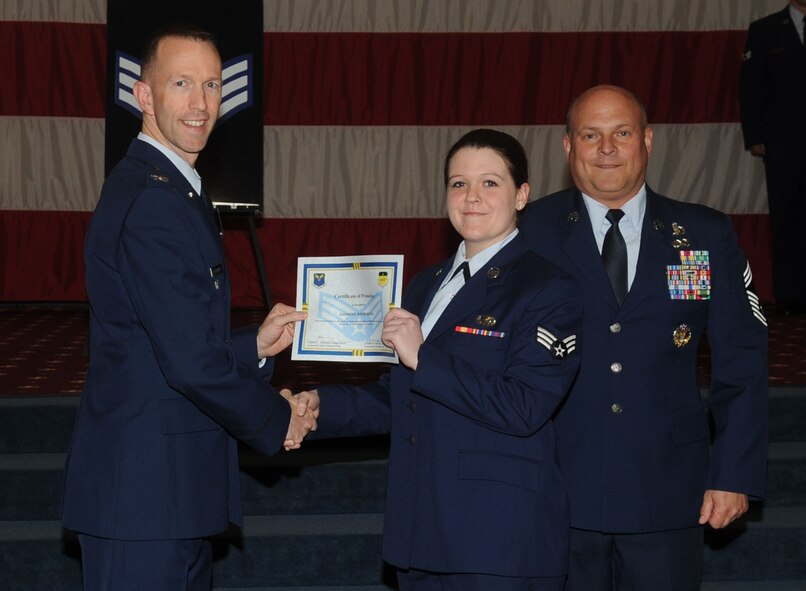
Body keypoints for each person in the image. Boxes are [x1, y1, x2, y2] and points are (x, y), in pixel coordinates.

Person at [61, 24, 314, 591]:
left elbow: (163, 342)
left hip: (163, 495)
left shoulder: (172, 188)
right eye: (181, 83)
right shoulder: (154, 200)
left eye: (212, 85)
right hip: (145, 499)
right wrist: (278, 420)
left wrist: (253, 344)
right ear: (144, 96)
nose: (201, 104)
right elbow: (190, 364)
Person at [288, 129, 582, 590]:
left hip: (498, 542)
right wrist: (320, 407)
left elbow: (524, 406)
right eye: (458, 183)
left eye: (490, 183)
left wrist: (424, 357)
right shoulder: (426, 285)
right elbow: (398, 397)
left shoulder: (549, 289)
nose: (471, 198)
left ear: (522, 195)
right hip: (421, 532)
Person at [520, 85, 769, 591]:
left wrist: (734, 472)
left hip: (669, 486)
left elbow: (741, 361)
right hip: (555, 484)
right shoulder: (529, 231)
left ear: (648, 140)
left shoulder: (703, 234)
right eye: (591, 135)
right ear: (568, 148)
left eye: (622, 133)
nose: (607, 148)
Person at [739, 0, 806, 316]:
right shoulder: (765, 30)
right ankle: (789, 296)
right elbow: (751, 86)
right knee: (786, 219)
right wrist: (756, 136)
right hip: (782, 144)